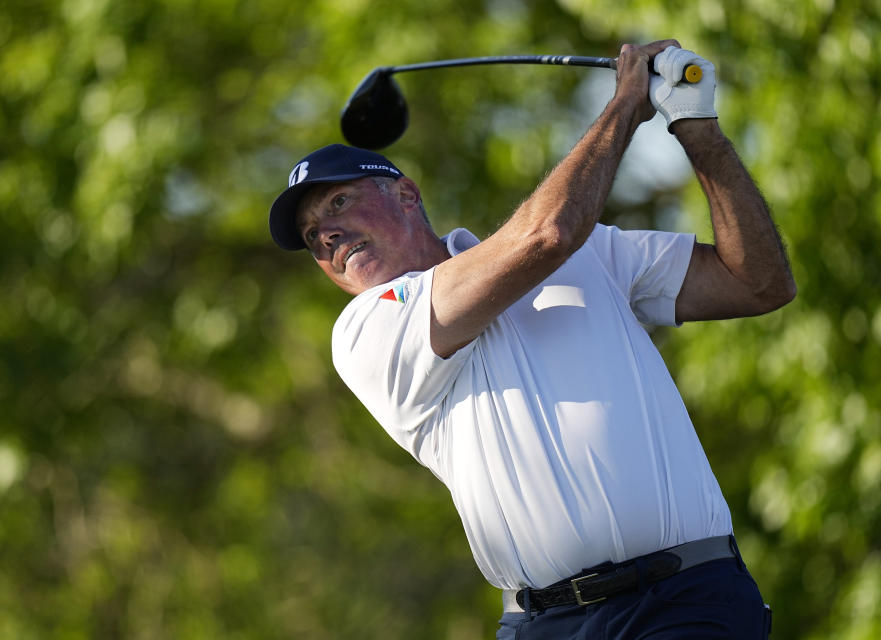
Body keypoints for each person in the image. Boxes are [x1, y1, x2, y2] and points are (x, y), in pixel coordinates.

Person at [268, 40, 794, 639]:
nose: (329, 235)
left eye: (339, 202)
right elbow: (546, 234)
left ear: (407, 194)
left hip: (688, 602)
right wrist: (626, 104)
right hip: (546, 625)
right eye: (313, 236)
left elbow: (757, 283)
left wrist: (698, 130)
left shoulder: (592, 252)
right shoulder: (366, 332)